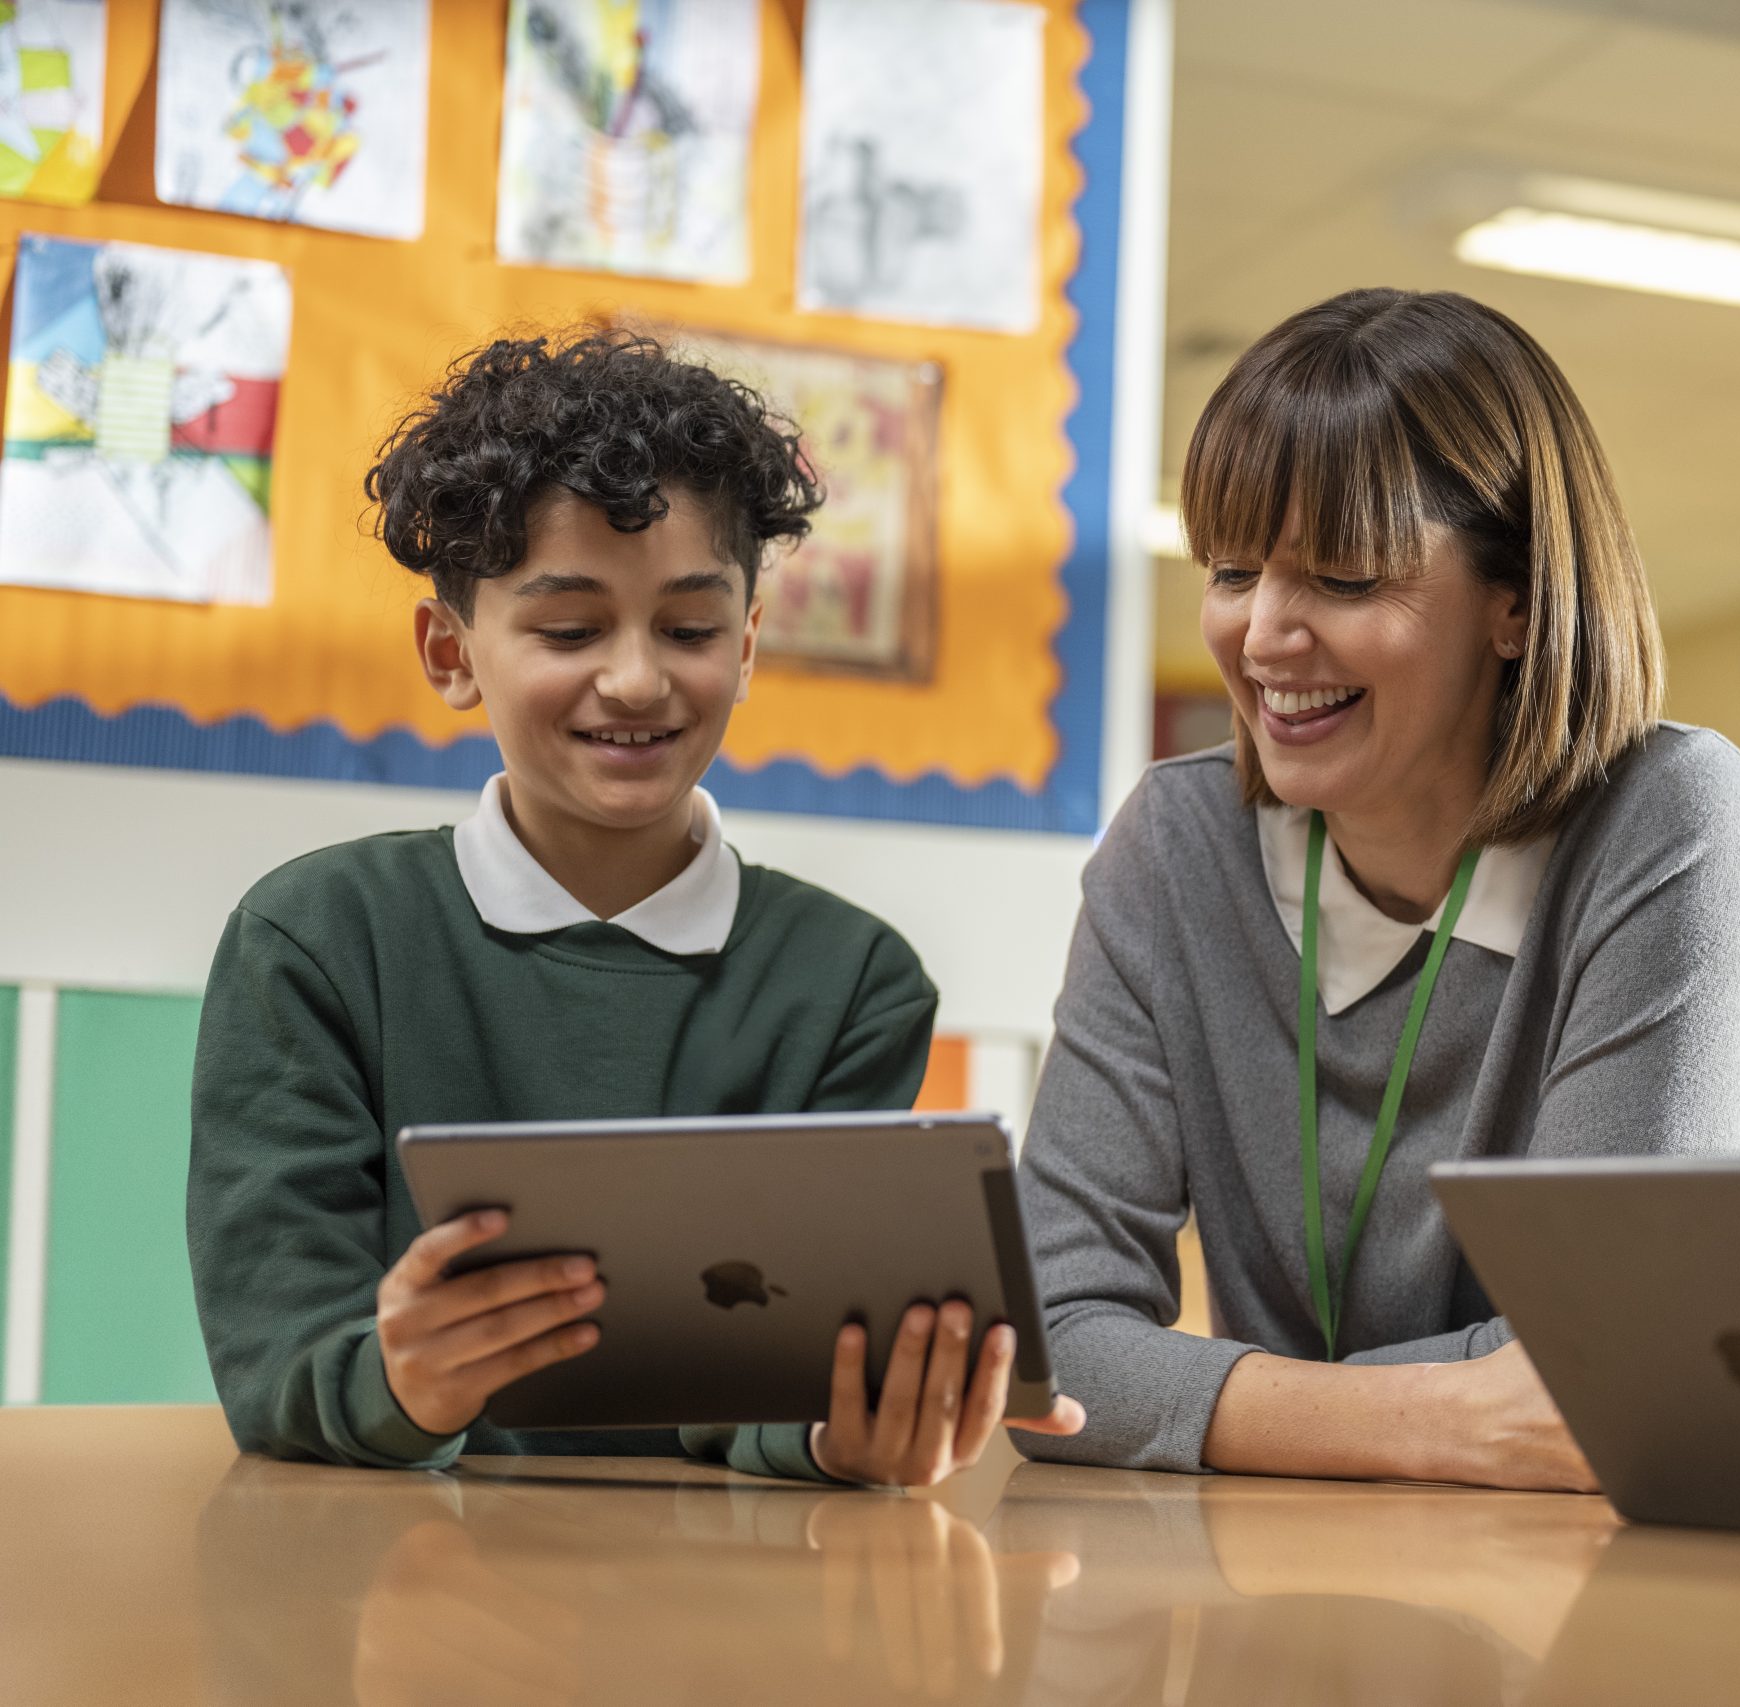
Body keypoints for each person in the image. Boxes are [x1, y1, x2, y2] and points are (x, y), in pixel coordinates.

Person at [186, 330, 1081, 1485]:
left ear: (748, 645)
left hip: (730, 1602)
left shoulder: (853, 981)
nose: (637, 679)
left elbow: (775, 1373)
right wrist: (395, 1382)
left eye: (691, 628)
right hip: (393, 1593)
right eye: (568, 629)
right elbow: (280, 1371)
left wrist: (831, 1429)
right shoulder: (314, 940)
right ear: (450, 652)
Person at [1017, 288, 1740, 1487]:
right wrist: (1449, 1419)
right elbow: (1049, 1352)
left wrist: (1195, 1398)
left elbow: (1615, 1370)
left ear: (1516, 602)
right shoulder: (1177, 843)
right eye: (1229, 571)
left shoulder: (1669, 822)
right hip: (1266, 1580)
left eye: (1343, 579)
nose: (1263, 634)